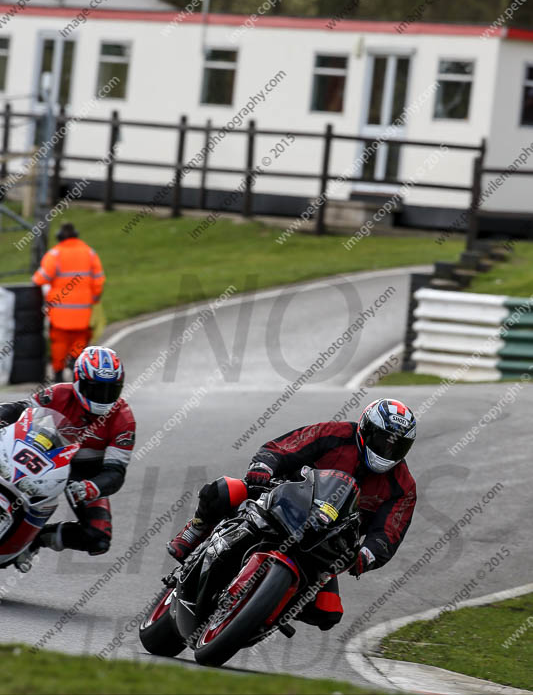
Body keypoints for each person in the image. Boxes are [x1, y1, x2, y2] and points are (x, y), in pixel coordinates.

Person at [167, 398, 417, 631]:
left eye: (397, 446)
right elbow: (285, 447)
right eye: (383, 441)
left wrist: (366, 555)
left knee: (328, 612)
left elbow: (389, 532)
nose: (388, 451)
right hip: (281, 502)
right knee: (224, 490)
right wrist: (264, 466)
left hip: (324, 542)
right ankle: (197, 528)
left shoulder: (402, 486)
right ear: (366, 430)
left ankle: (268, 609)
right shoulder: (334, 434)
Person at [0, 346, 135, 571]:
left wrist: (92, 487)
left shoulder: (124, 420)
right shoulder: (58, 393)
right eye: (95, 388)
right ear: (79, 381)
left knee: (98, 537)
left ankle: (35, 541)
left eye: (110, 390)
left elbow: (116, 471)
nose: (102, 397)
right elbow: (20, 409)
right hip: (43, 454)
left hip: (84, 474)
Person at [32, 222, 105, 383]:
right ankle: (76, 369)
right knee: (79, 341)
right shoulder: (89, 253)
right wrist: (94, 299)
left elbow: (40, 278)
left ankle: (58, 374)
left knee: (59, 343)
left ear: (59, 237)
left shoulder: (55, 254)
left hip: (59, 313)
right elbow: (99, 280)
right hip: (83, 312)